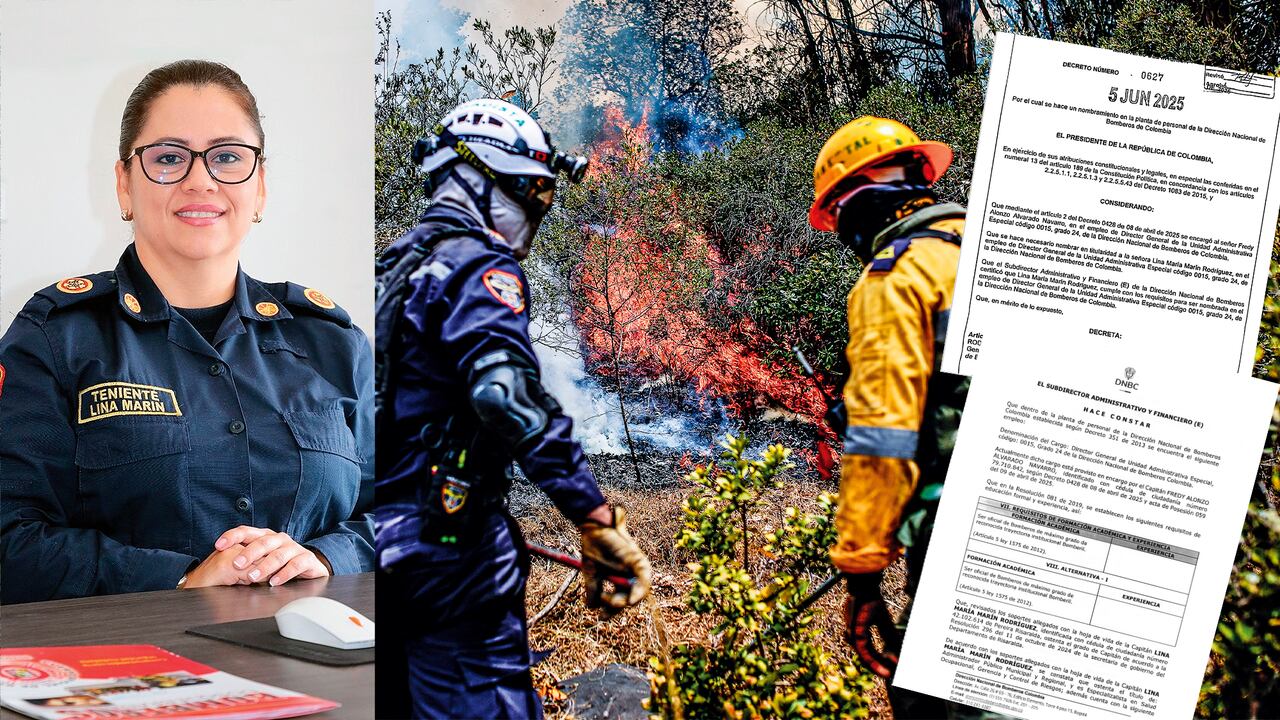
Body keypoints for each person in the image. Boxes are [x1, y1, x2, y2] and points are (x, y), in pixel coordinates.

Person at [0, 60, 374, 603]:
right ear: (124, 184)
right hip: (129, 675)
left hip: (328, 672)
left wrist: (323, 557)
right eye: (169, 158)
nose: (201, 179)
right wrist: (181, 581)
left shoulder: (333, 343)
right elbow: (10, 539)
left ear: (260, 187)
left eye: (227, 157)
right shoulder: (55, 339)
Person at [375, 98, 653, 719]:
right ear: (479, 177)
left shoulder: (388, 269)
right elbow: (505, 395)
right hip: (451, 559)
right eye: (533, 191)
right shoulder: (477, 264)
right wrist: (595, 515)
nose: (538, 211)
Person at [811, 116, 1006, 719]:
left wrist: (863, 571)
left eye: (837, 211)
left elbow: (882, 438)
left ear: (859, 196)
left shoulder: (896, 276)